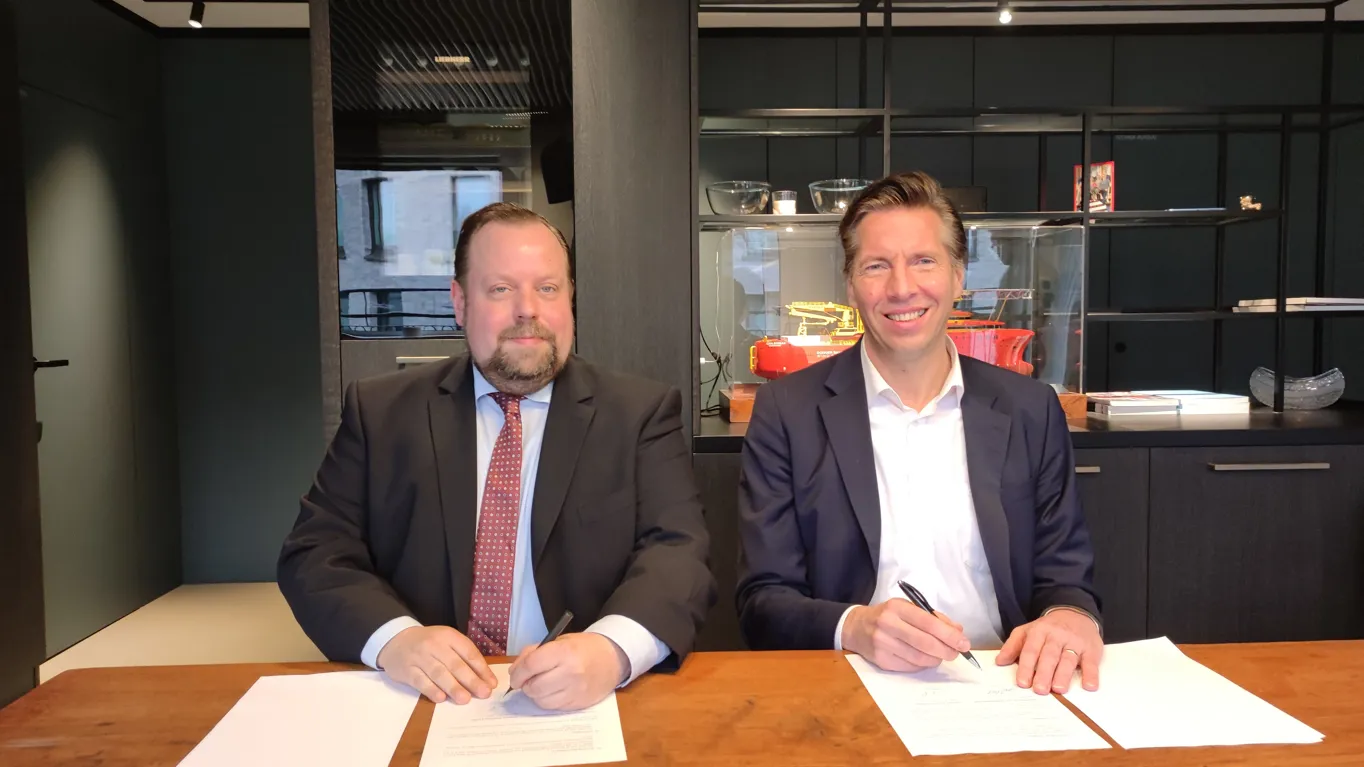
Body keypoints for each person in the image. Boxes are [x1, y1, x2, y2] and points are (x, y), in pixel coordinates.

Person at [279, 202, 714, 711]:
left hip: (584, 700)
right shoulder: (379, 412)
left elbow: (679, 552)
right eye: (501, 289)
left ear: (570, 298)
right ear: (460, 302)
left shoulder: (640, 413)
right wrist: (395, 640)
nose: (527, 308)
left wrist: (611, 651)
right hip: (424, 698)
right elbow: (315, 554)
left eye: (547, 288)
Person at [735, 171, 1104, 696]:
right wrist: (853, 628)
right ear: (850, 285)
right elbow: (761, 603)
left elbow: (1066, 573)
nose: (902, 287)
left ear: (958, 277)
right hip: (852, 686)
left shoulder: (1029, 409)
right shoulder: (787, 412)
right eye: (876, 266)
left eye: (924, 261)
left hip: (1005, 685)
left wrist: (1069, 616)